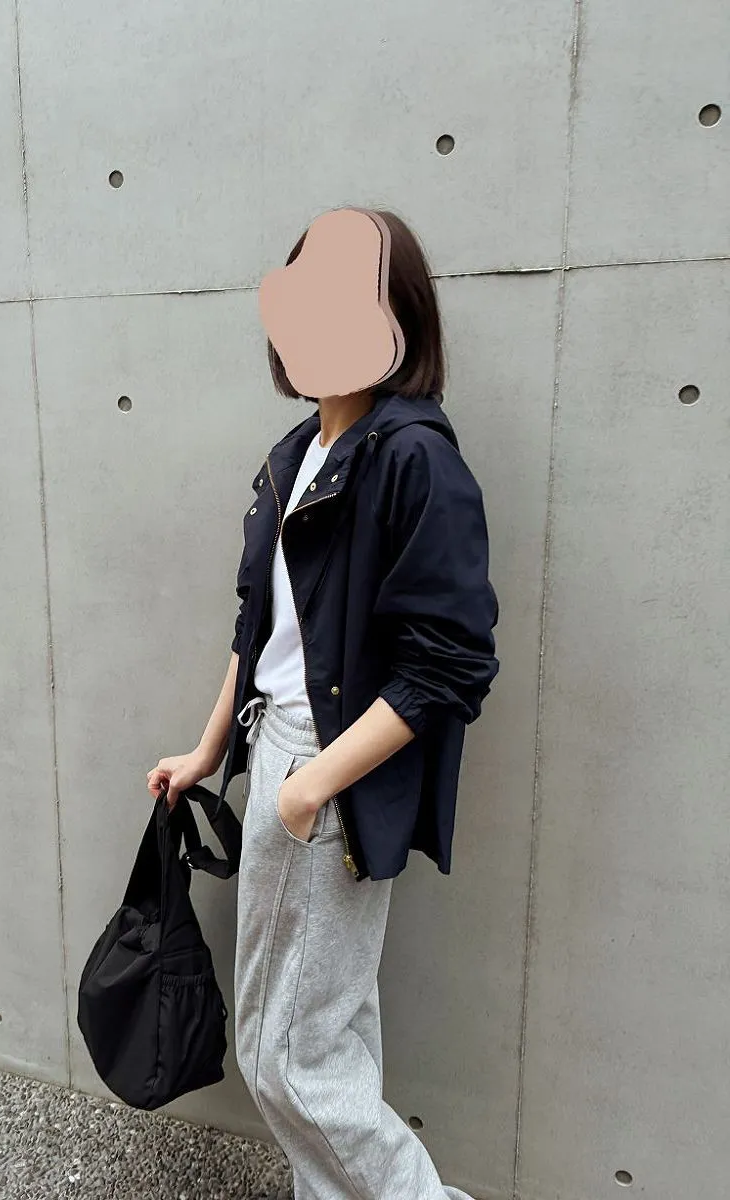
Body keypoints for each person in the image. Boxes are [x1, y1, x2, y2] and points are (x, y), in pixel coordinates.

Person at [147, 209, 499, 1200]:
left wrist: (310, 790)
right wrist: (207, 751)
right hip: (278, 753)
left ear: (396, 318)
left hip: (326, 772)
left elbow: (450, 663)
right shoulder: (297, 451)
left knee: (286, 1056)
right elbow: (258, 626)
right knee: (325, 1036)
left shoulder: (414, 459)